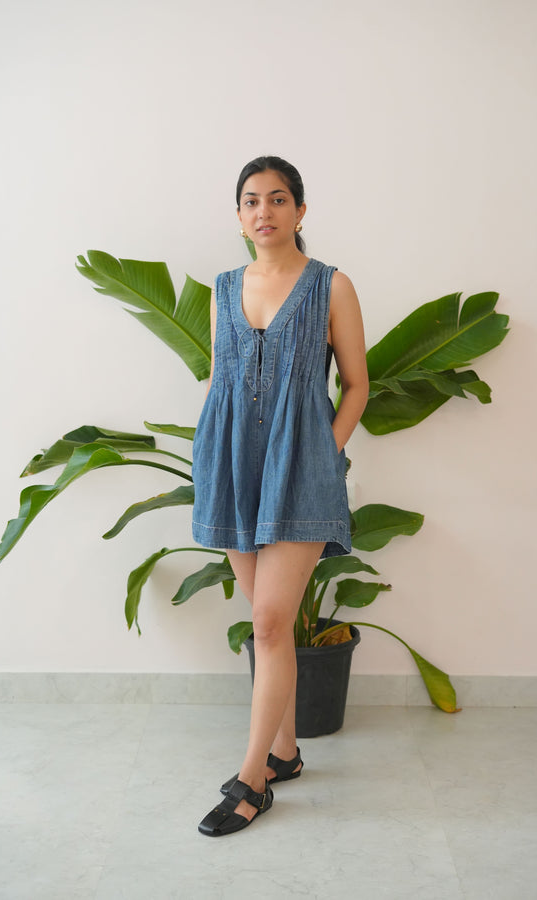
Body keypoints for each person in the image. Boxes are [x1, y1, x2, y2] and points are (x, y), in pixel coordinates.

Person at [191, 156, 369, 836]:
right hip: (232, 466)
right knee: (268, 625)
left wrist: (328, 449)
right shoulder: (223, 287)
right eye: (251, 201)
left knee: (269, 624)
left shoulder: (331, 286)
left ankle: (250, 782)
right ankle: (286, 752)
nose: (264, 211)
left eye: (278, 198)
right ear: (239, 216)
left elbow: (357, 383)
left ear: (300, 210)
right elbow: (222, 380)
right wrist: (211, 455)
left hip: (301, 467)